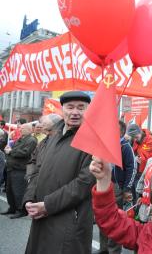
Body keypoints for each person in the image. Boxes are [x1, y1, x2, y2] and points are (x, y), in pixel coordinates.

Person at [22, 91, 95, 254]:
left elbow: (84, 183)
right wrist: (29, 198)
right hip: (41, 215)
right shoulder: (53, 135)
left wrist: (48, 205)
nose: (75, 112)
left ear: (87, 110)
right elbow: (38, 168)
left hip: (69, 220)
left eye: (81, 107)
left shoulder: (92, 139)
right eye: (70, 107)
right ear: (62, 110)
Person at [97, 120, 138, 254]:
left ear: (120, 132)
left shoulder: (125, 147)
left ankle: (113, 251)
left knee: (114, 221)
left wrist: (126, 189)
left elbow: (132, 168)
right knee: (103, 218)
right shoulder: (105, 145)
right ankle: (103, 249)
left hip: (117, 187)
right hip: (104, 185)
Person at [1, 123, 37, 219]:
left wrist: (11, 151)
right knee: (10, 190)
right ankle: (12, 207)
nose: (20, 130)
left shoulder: (31, 140)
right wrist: (9, 149)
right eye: (20, 128)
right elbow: (14, 150)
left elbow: (25, 153)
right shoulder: (21, 138)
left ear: (29, 130)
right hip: (12, 168)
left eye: (23, 128)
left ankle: (21, 210)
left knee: (19, 190)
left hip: (20, 169)